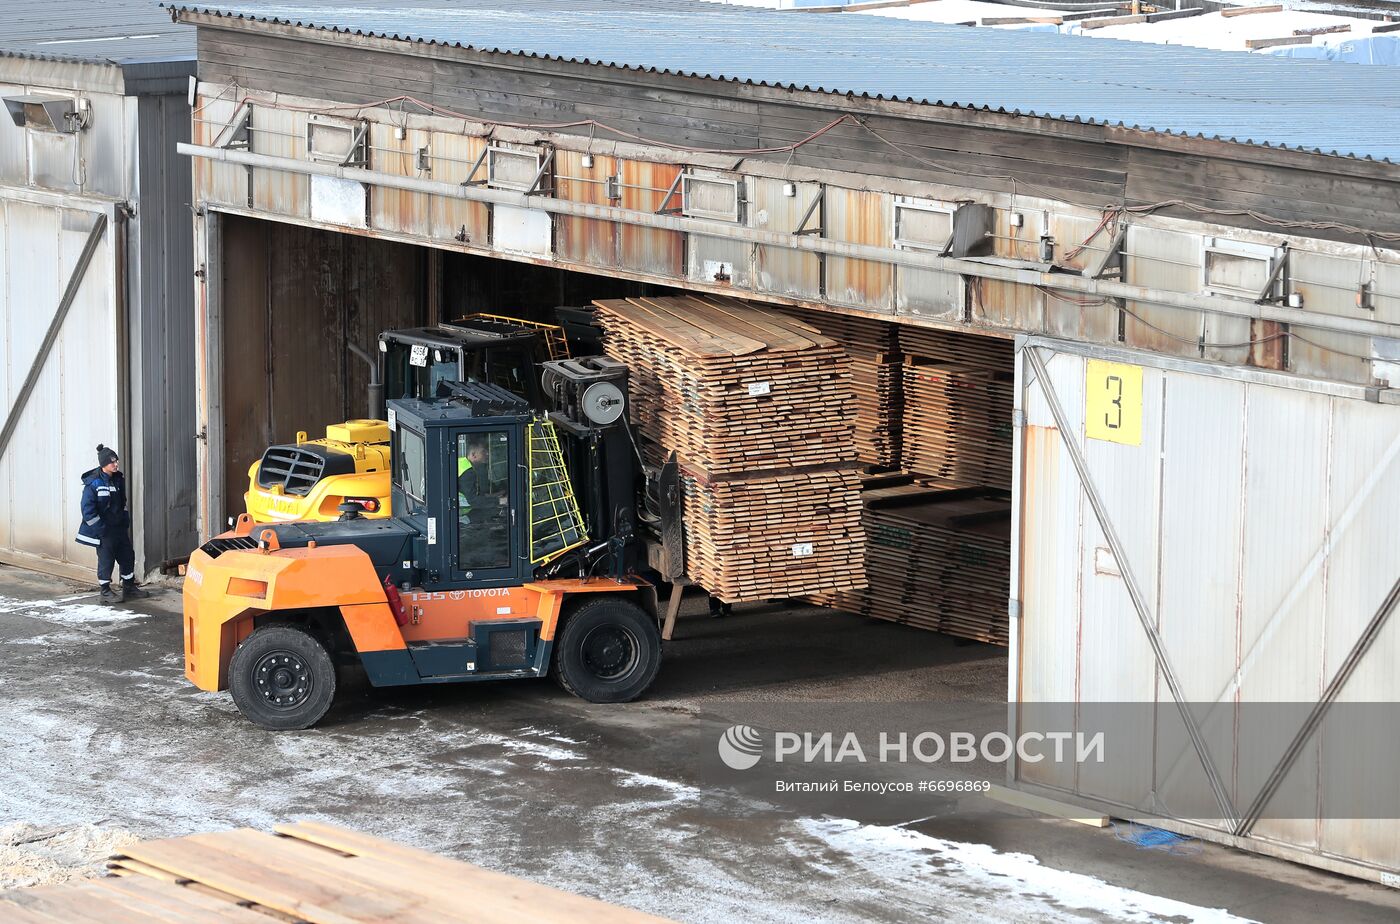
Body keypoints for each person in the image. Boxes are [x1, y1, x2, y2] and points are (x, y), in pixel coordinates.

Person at [75, 444, 146, 603]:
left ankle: (129, 587)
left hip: (119, 528)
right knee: (106, 560)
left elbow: (123, 503)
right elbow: (87, 511)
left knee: (127, 556)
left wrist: (125, 519)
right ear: (103, 464)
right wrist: (101, 529)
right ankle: (105, 591)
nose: (115, 464)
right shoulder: (93, 484)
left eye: (116, 461)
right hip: (104, 531)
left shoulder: (118, 479)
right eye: (112, 462)